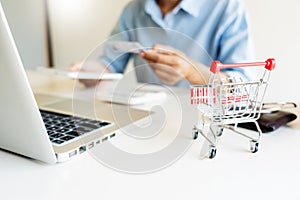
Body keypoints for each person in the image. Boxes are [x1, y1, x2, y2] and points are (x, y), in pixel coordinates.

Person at [72, 0, 254, 87]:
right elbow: (110, 65)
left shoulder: (228, 8)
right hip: (145, 120)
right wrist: (88, 72)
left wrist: (191, 72)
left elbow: (243, 86)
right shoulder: (132, 10)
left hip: (204, 122)